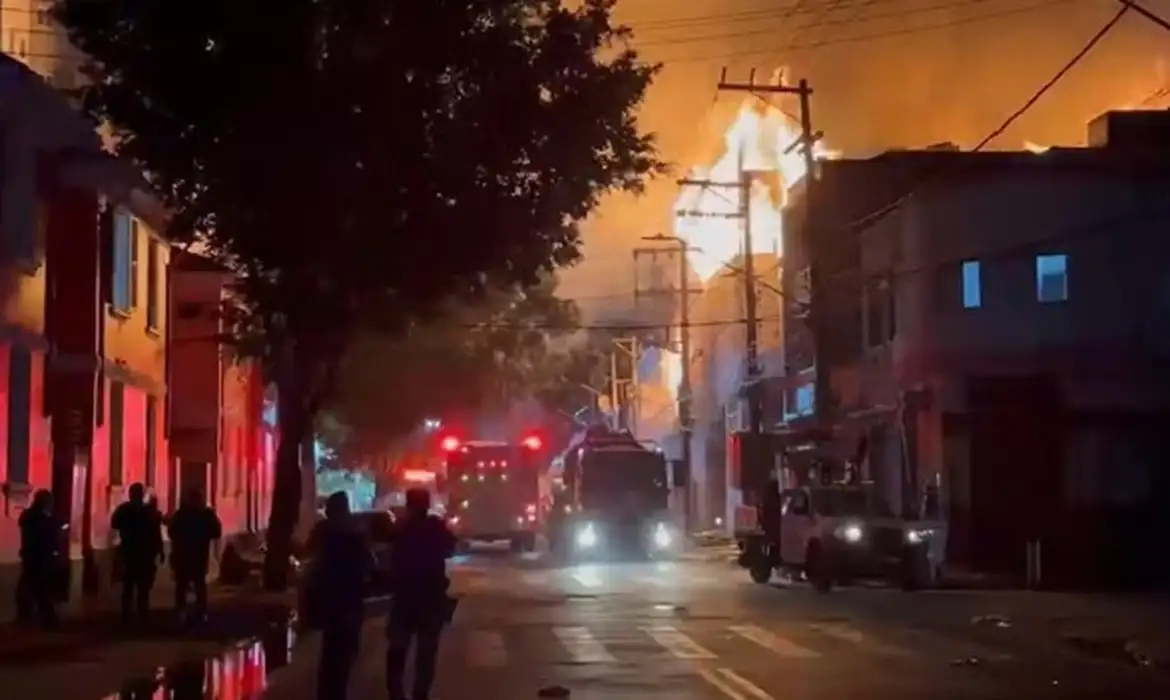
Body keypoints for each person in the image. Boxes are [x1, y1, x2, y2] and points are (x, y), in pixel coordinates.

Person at [386, 487, 457, 700]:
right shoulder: (434, 527)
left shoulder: (402, 529)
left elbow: (392, 557)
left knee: (398, 650)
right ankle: (419, 694)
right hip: (429, 598)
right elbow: (450, 548)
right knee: (425, 655)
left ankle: (396, 692)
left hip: (406, 598)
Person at [306, 491, 369, 700]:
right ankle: (336, 693)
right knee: (345, 652)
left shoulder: (324, 531)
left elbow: (310, 555)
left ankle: (327, 694)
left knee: (331, 652)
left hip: (330, 600)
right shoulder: (356, 532)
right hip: (350, 599)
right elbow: (369, 564)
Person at [167, 488, 222, 625]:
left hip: (184, 554)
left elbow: (171, 531)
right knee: (198, 585)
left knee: (183, 585)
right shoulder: (205, 514)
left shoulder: (181, 514)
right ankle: (200, 612)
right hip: (198, 554)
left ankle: (182, 611)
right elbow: (216, 532)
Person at [110, 483, 165, 620]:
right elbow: (156, 533)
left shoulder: (124, 509)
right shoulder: (149, 511)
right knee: (143, 585)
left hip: (130, 550)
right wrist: (160, 550)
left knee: (129, 584)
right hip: (145, 552)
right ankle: (142, 611)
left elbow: (115, 524)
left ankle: (127, 612)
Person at [15, 490, 61, 626]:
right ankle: (45, 617)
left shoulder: (28, 516)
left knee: (29, 585)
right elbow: (49, 535)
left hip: (30, 555)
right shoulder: (42, 518)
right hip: (41, 557)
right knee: (42, 588)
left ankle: (27, 614)